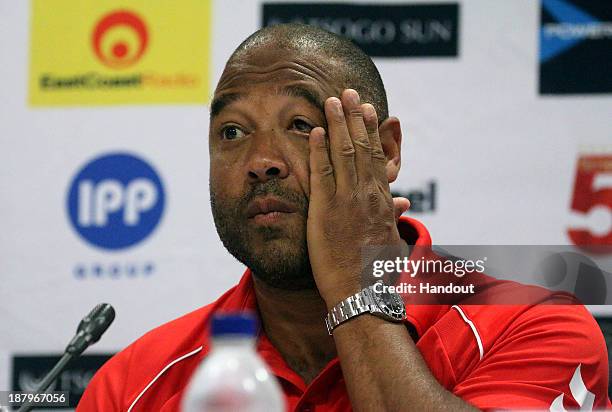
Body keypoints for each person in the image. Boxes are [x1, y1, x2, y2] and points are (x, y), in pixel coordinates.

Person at [77, 24, 610, 411]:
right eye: (233, 132)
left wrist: (356, 288)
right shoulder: (132, 385)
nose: (262, 162)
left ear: (386, 151)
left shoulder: (536, 323)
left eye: (301, 124)